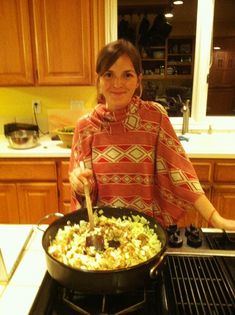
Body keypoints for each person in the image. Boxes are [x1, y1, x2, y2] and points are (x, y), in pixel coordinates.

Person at [69, 39, 235, 230]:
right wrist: (80, 184)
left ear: (139, 79)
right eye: (109, 74)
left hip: (146, 233)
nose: (117, 83)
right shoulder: (85, 127)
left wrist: (216, 219)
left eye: (127, 75)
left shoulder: (154, 118)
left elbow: (181, 174)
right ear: (98, 79)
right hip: (104, 235)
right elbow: (85, 192)